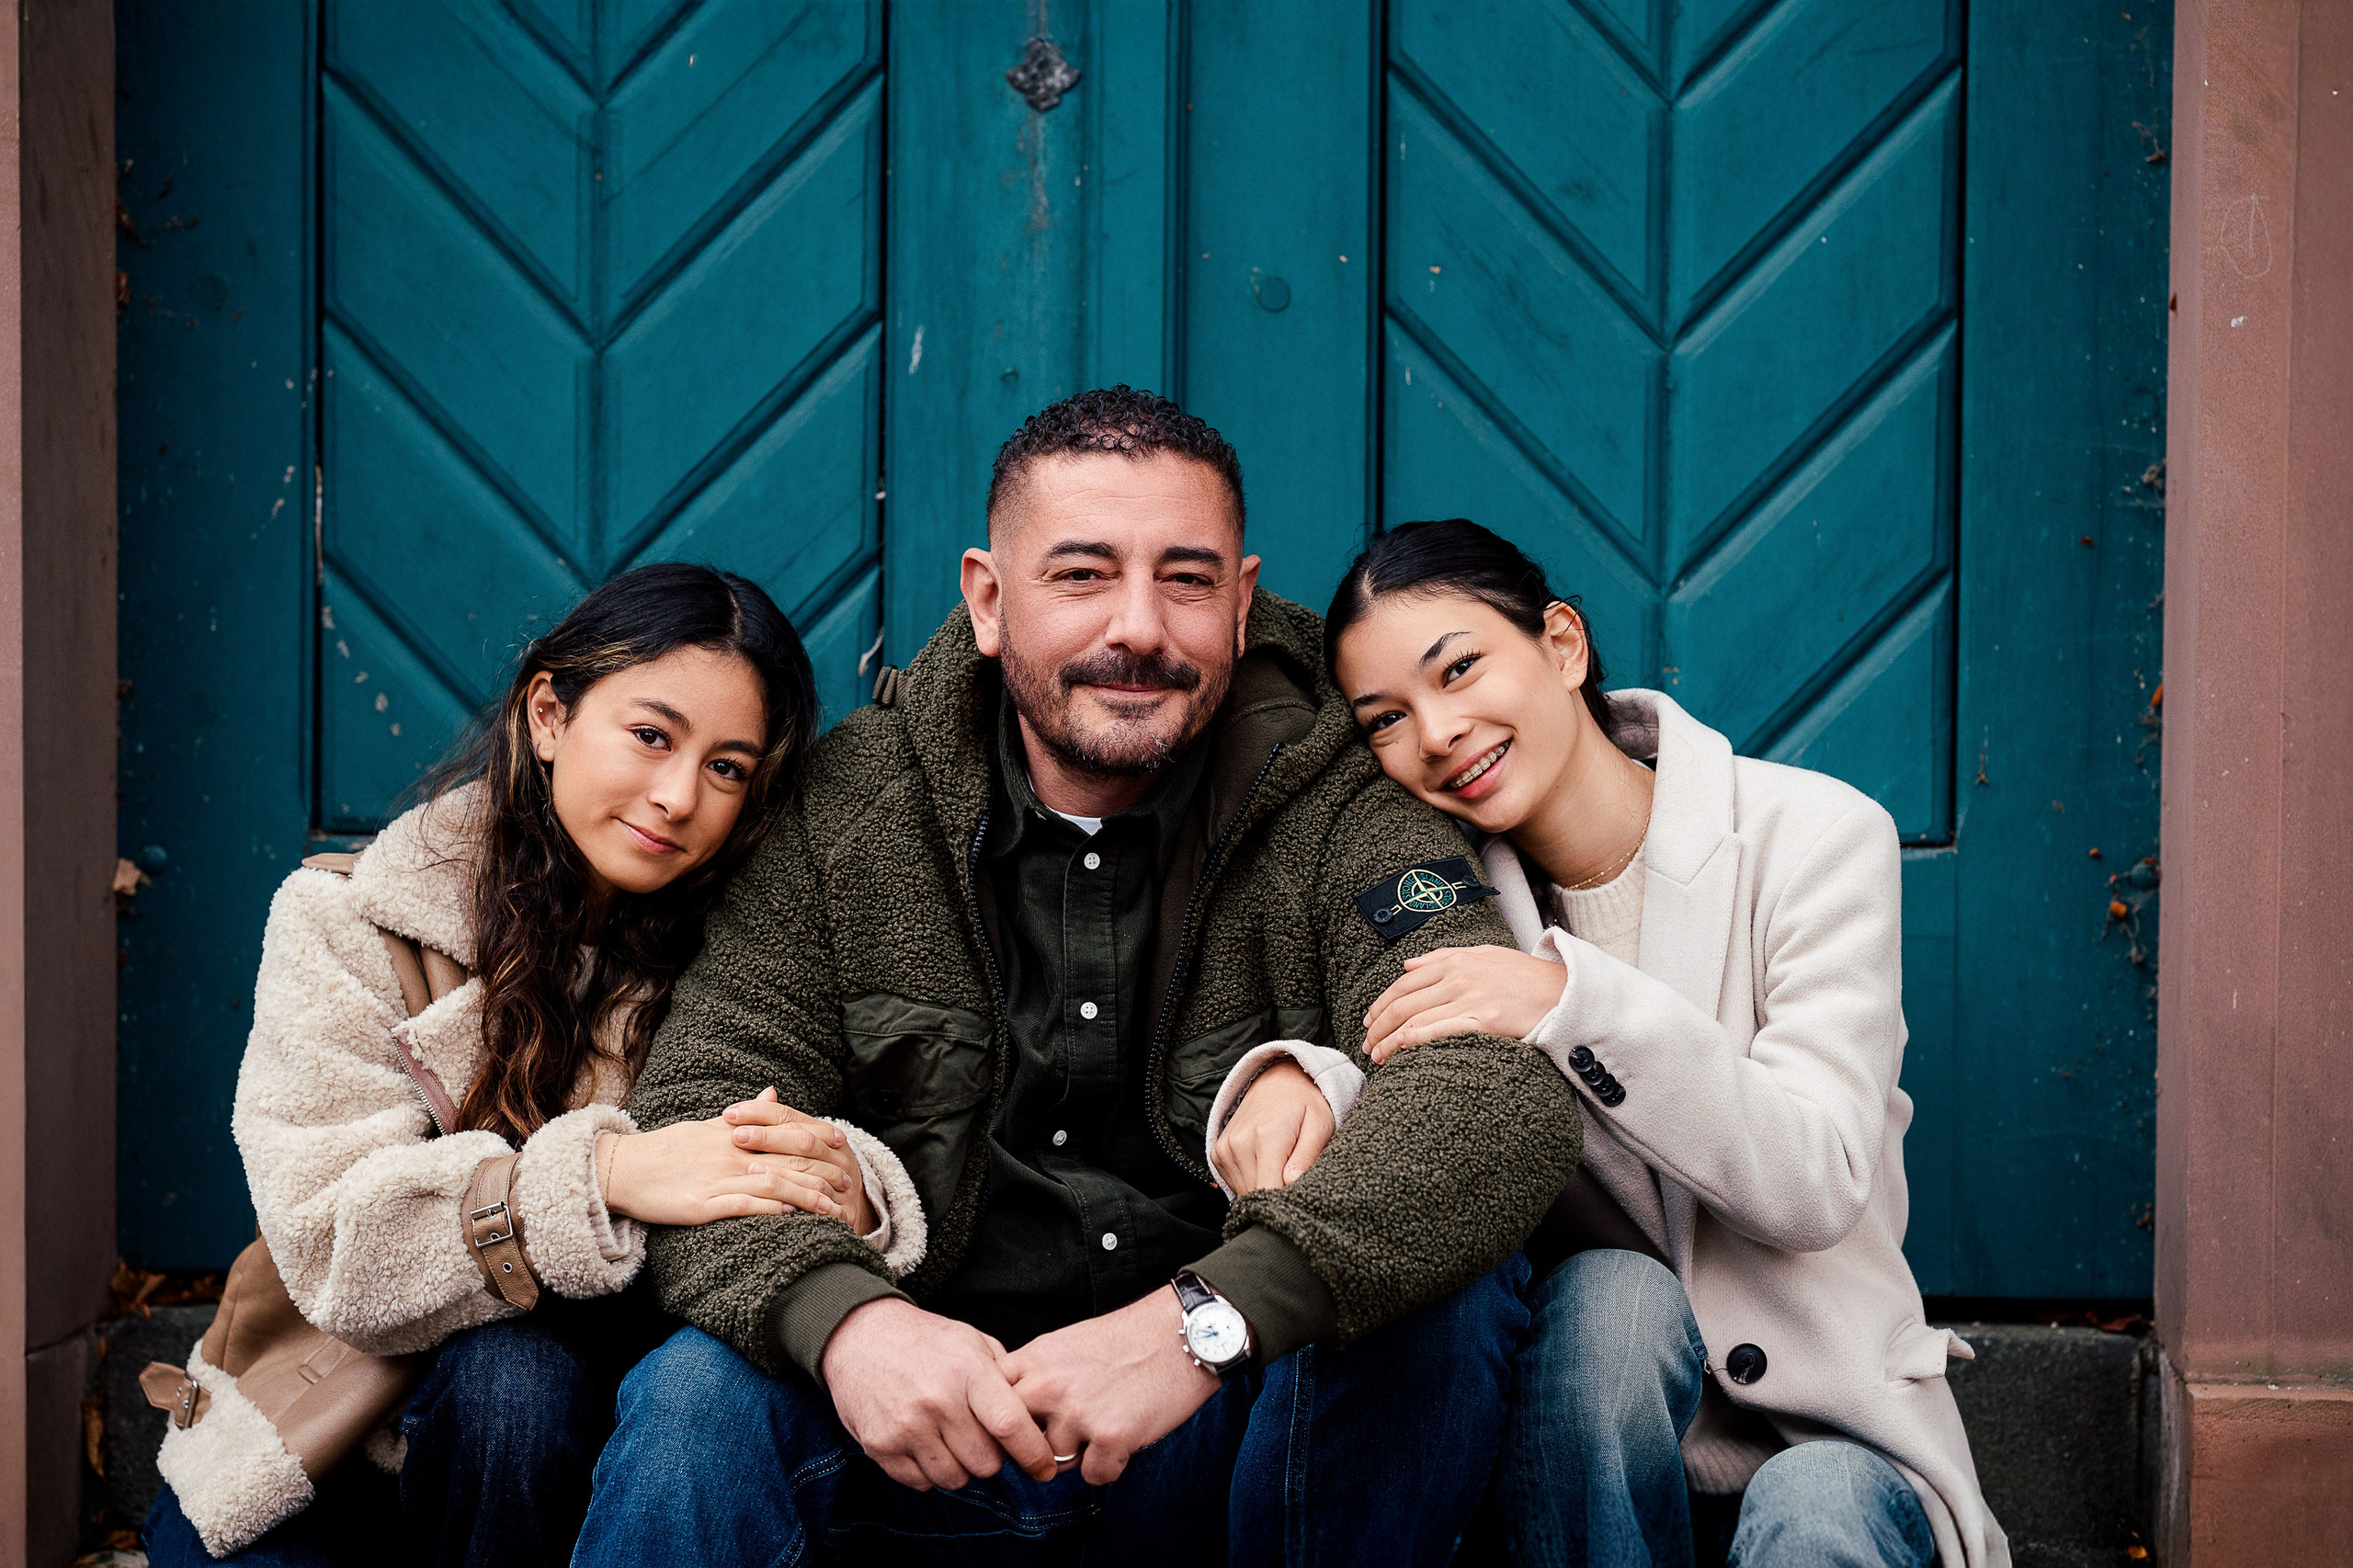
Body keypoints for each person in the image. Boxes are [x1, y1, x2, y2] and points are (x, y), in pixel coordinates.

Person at [572, 390, 1581, 1566]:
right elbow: (702, 1108)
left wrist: (1201, 1324)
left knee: (1447, 1293)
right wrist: (849, 1323)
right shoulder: (850, 810)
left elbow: (1493, 1093)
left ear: (1244, 603)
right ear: (989, 601)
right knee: (696, 1396)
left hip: (1228, 1435)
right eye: (1084, 574)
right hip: (927, 1429)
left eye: (1188, 580)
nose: (1140, 626)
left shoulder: (1341, 795)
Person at [1240, 518, 2008, 1568]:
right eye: (1386, 719)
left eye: (1459, 667)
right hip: (1592, 1446)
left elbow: (1817, 1176)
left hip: (1833, 1438)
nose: (1438, 731)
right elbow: (1419, 1070)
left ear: (1561, 643)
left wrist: (1571, 999)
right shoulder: (1448, 893)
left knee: (1815, 1501)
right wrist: (1311, 1078)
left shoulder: (1816, 836)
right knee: (1609, 1298)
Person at [145, 563, 926, 1568]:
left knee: (521, 1381)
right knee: (504, 1374)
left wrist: (847, 1186)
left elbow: (808, 1142)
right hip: (343, 1428)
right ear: (549, 713)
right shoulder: (350, 922)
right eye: (652, 735)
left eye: (728, 767)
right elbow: (331, 1237)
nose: (679, 795)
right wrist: (602, 1175)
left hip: (619, 1448)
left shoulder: (752, 948)